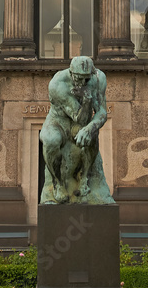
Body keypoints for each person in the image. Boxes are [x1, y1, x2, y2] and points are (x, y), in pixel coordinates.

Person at [39, 55, 114, 204]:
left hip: (82, 121)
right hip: (59, 122)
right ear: (71, 73)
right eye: (79, 78)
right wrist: (87, 100)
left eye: (86, 79)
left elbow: (102, 112)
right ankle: (58, 183)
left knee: (91, 135)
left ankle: (85, 178)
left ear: (92, 74)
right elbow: (79, 118)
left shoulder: (99, 79)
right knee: (49, 140)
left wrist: (90, 128)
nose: (82, 82)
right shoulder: (58, 84)